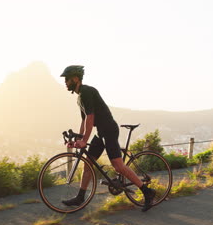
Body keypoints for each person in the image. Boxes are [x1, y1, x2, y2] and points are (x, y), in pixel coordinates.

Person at [60, 65, 156, 212]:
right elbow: (84, 120)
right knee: (88, 163)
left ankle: (147, 192)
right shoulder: (79, 97)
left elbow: (91, 118)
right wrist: (78, 138)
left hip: (109, 130)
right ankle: (80, 197)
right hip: (100, 132)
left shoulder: (86, 91)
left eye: (67, 79)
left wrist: (84, 140)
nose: (65, 82)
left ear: (75, 79)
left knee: (118, 166)